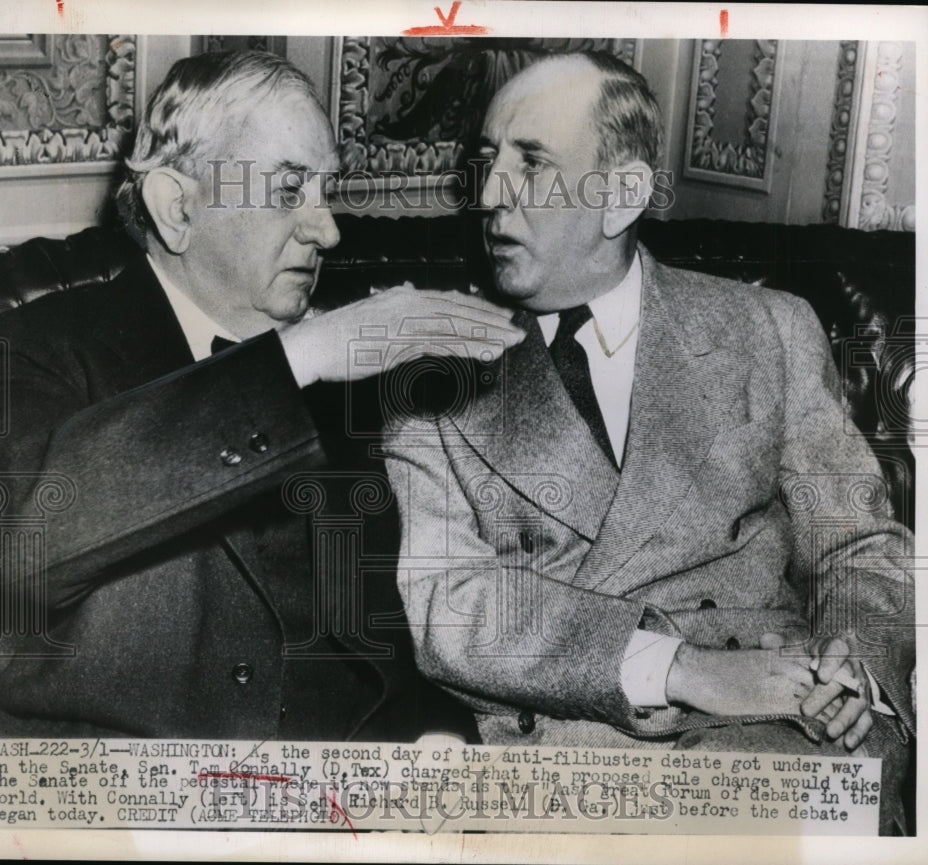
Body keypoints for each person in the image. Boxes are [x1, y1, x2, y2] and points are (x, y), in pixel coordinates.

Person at [381, 52, 914, 832]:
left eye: (530, 164)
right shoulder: (430, 378)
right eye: (486, 162)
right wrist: (684, 669)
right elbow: (450, 607)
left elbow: (858, 543)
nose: (490, 194)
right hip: (574, 748)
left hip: (791, 725)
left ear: (622, 194)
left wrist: (850, 663)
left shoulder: (770, 329)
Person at [0, 50, 525, 755]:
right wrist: (296, 361)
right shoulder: (21, 345)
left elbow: (380, 639)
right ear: (178, 206)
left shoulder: (350, 374)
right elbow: (20, 541)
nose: (329, 230)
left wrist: (435, 735)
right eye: (289, 190)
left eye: (325, 190)